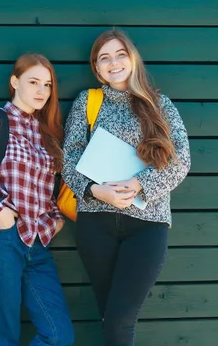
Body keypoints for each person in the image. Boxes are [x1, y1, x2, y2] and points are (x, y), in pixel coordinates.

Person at [62, 29, 191, 345]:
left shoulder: (160, 104)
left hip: (148, 226)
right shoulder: (87, 102)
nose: (113, 62)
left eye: (120, 54)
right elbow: (68, 159)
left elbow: (181, 160)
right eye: (104, 58)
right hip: (96, 224)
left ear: (132, 58)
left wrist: (138, 184)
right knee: (109, 317)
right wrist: (95, 190)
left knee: (120, 320)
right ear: (97, 68)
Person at [0, 53, 75, 346]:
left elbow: (49, 190)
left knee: (59, 336)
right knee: (3, 337)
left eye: (47, 85)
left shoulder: (47, 133)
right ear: (14, 81)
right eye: (33, 82)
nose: (41, 91)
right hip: (2, 239)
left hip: (38, 242)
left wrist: (56, 220)